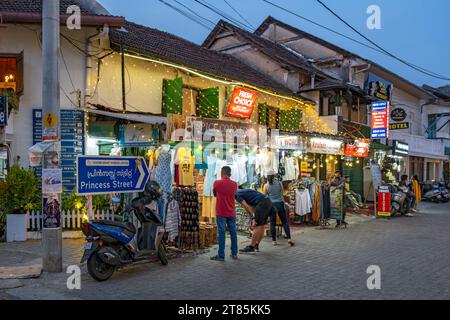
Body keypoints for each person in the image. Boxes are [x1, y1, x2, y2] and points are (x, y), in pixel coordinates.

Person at [210, 166, 238, 261]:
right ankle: (234, 253)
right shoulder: (235, 184)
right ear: (230, 173)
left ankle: (221, 255)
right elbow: (234, 195)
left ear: (222, 173)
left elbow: (214, 194)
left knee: (221, 233)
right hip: (231, 212)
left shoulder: (217, 183)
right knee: (233, 232)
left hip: (221, 211)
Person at [236, 188, 276, 253]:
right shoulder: (243, 191)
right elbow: (251, 206)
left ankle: (251, 247)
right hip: (268, 202)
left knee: (257, 225)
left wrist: (253, 218)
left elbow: (247, 207)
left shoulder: (236, 194)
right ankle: (256, 245)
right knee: (261, 225)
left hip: (262, 203)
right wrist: (253, 217)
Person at [263, 171, 294, 246]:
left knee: (272, 223)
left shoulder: (266, 185)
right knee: (284, 222)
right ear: (274, 176)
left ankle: (274, 241)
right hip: (280, 204)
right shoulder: (279, 183)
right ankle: (289, 238)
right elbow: (282, 193)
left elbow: (265, 196)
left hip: (272, 205)